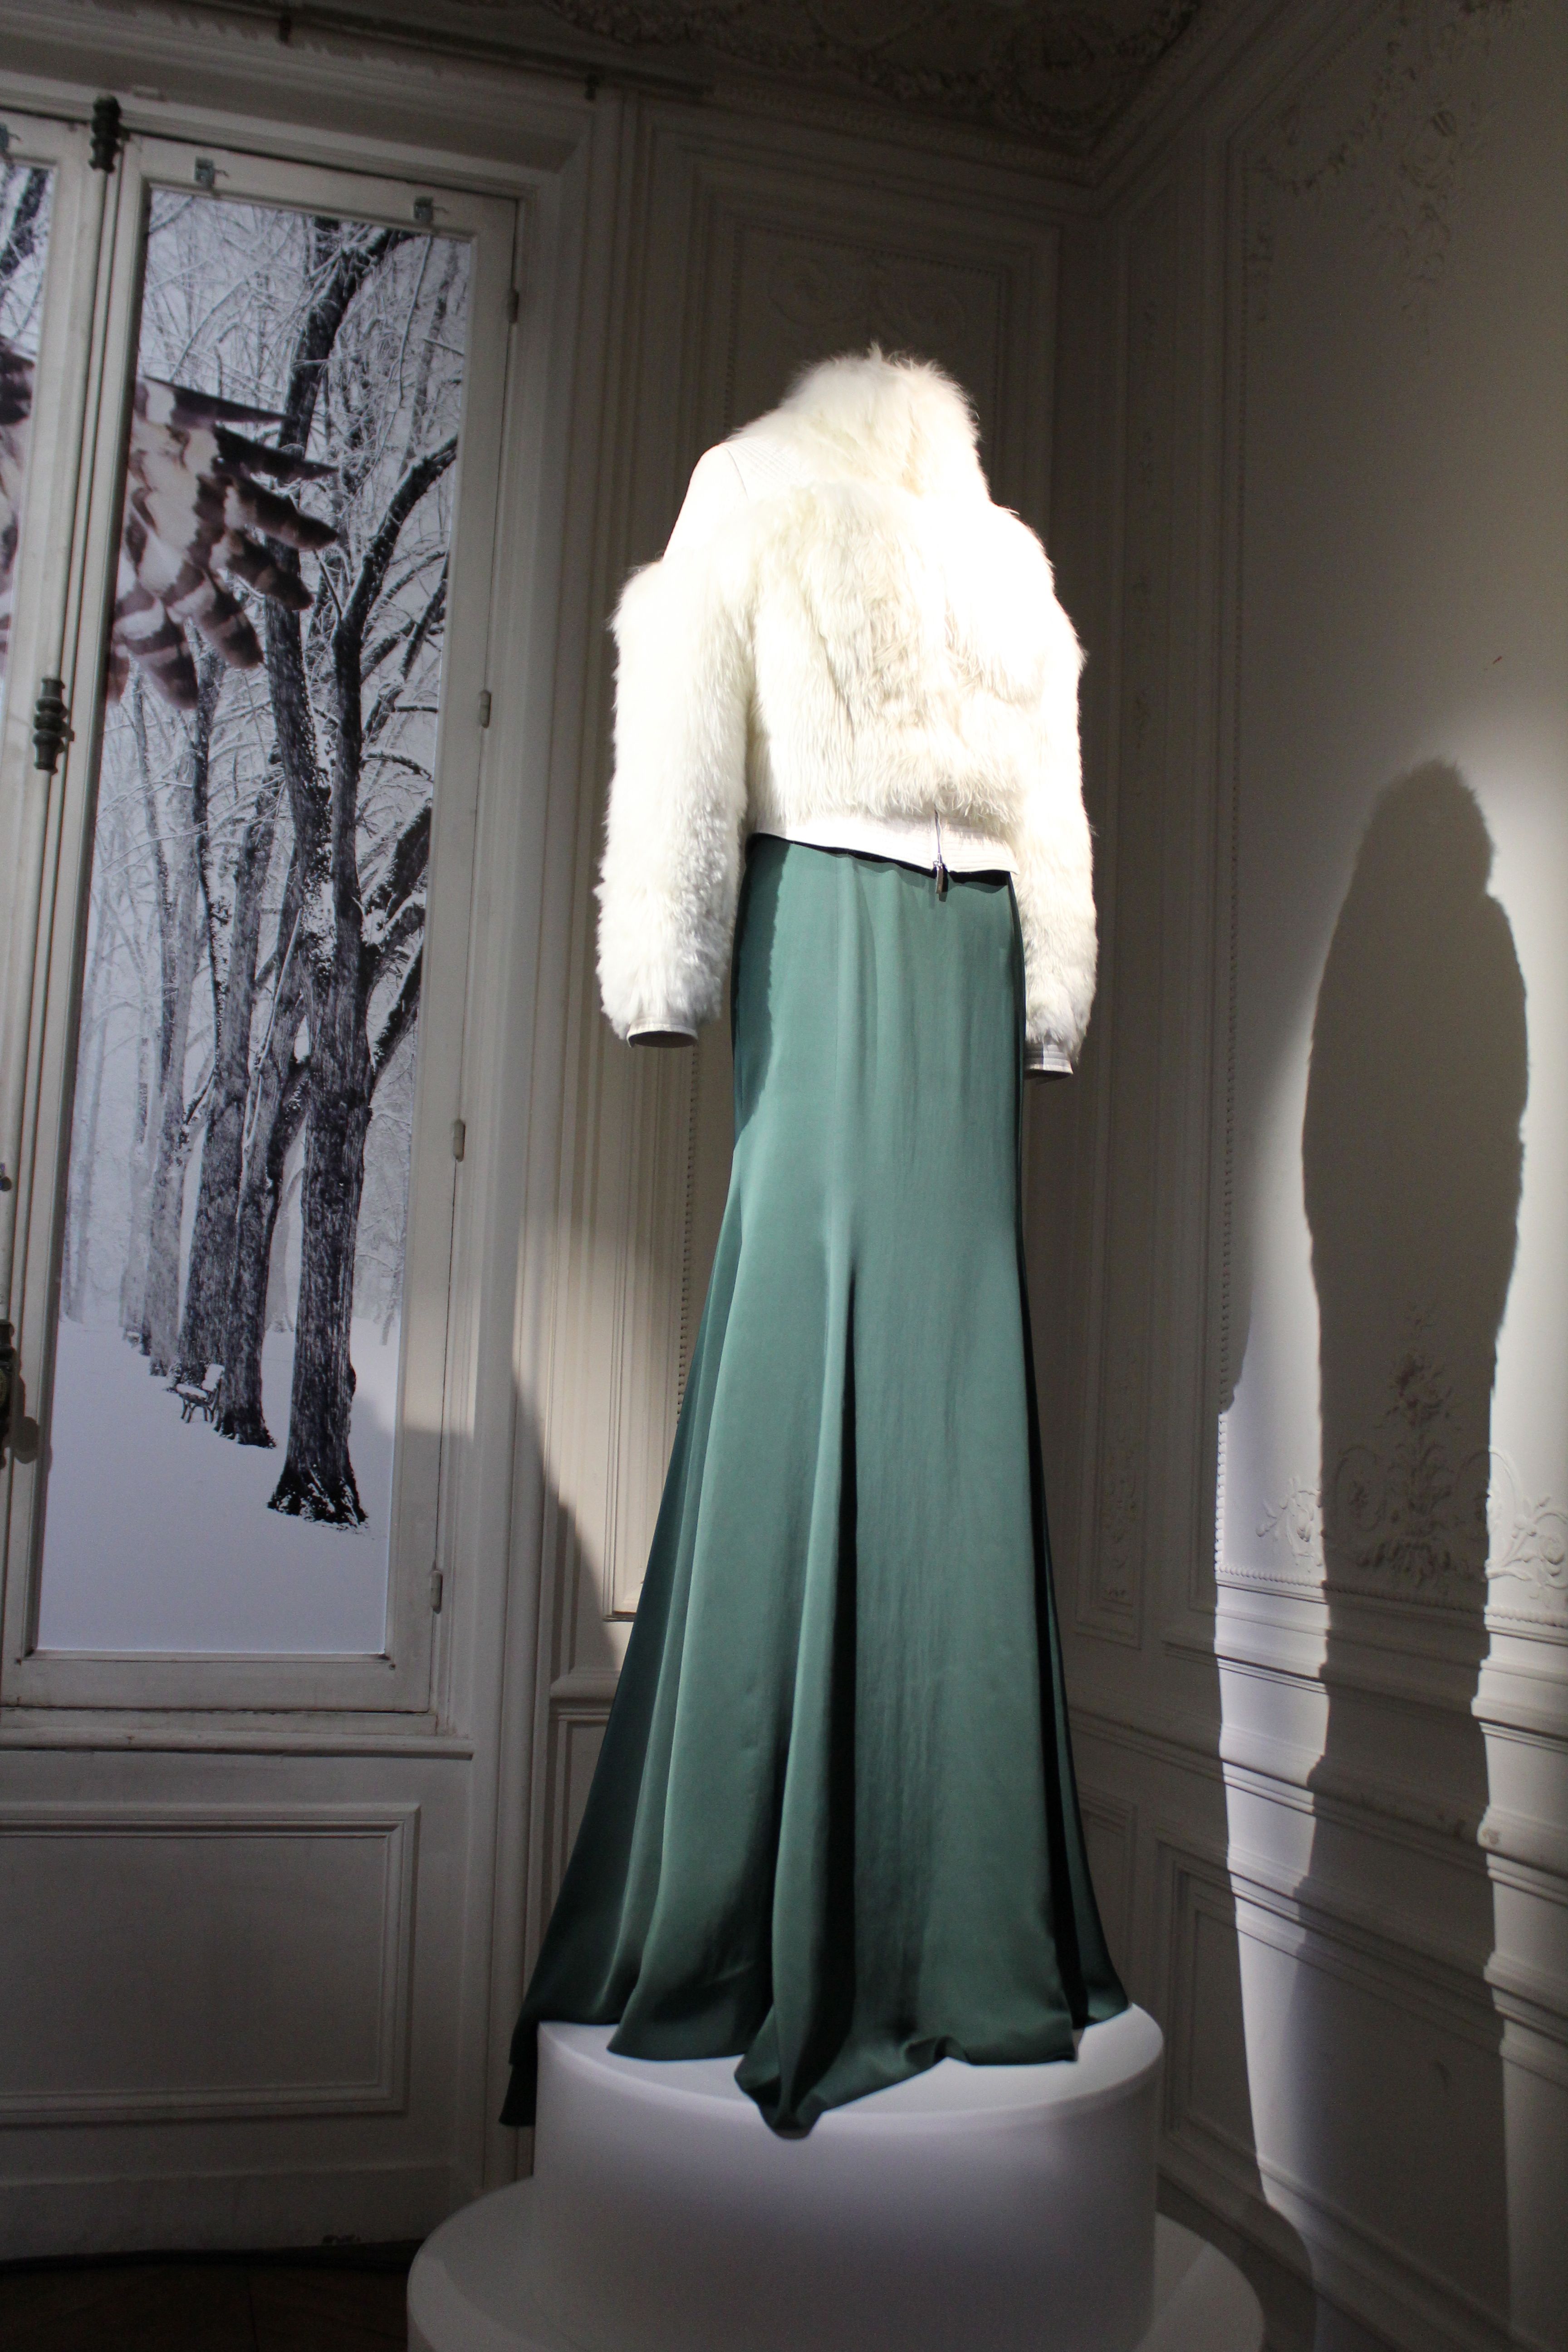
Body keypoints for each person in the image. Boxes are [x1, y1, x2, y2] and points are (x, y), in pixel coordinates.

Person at [503, 348, 1125, 2136]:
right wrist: (671, 963)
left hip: (905, 940)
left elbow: (1032, 790)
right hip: (876, 936)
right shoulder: (827, 507)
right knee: (839, 1347)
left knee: (939, 1375)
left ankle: (927, 1918)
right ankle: (836, 1909)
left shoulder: (948, 538)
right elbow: (698, 732)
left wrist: (664, 969)